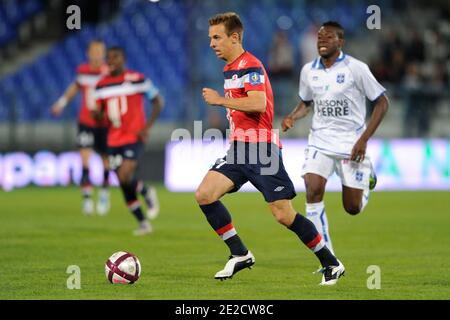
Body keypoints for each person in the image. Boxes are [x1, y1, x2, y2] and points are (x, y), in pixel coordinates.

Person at [196, 12, 344, 285]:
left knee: (283, 214)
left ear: (234, 37)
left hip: (261, 150)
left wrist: (219, 101)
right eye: (210, 38)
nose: (212, 44)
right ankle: (239, 253)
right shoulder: (230, 68)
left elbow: (258, 104)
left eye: (217, 38)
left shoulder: (249, 66)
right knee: (205, 194)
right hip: (239, 149)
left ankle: (330, 263)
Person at [281, 21, 389, 258]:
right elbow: (306, 103)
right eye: (319, 37)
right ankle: (327, 258)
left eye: (328, 37)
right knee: (312, 190)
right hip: (320, 140)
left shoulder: (356, 68)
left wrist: (363, 139)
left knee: (352, 208)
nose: (322, 41)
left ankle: (367, 177)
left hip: (352, 144)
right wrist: (292, 116)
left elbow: (382, 102)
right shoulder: (308, 70)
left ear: (340, 42)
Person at [94, 47, 164, 236]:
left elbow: (158, 101)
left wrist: (146, 127)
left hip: (134, 136)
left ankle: (147, 191)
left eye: (115, 57)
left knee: (125, 174)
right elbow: (101, 114)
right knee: (123, 182)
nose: (111, 61)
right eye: (108, 58)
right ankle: (143, 223)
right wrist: (97, 114)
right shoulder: (100, 86)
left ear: (124, 59)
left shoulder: (137, 79)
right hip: (113, 139)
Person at [51, 40, 111, 216]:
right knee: (85, 159)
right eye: (94, 51)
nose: (97, 54)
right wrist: (61, 103)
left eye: (100, 50)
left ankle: (104, 194)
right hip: (86, 121)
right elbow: (75, 87)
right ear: (88, 53)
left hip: (104, 123)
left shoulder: (108, 72)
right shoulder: (82, 71)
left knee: (106, 161)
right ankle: (86, 198)